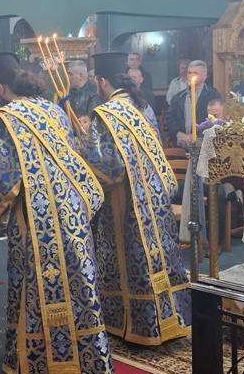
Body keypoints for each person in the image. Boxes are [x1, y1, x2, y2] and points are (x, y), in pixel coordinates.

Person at [0, 52, 113, 374]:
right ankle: (89, 363)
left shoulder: (4, 117)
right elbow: (72, 150)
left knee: (35, 282)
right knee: (78, 279)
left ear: (0, 88)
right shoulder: (53, 108)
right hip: (71, 207)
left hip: (34, 213)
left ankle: (39, 365)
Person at [82, 52, 191, 345]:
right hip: (154, 194)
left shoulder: (104, 114)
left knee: (132, 257)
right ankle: (170, 318)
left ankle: (139, 325)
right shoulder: (143, 107)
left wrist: (82, 151)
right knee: (160, 254)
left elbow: (107, 167)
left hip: (126, 199)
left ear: (101, 81)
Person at [166, 60, 221, 147]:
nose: (191, 76)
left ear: (204, 76)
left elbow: (216, 120)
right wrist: (179, 134)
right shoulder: (178, 97)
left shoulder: (213, 95)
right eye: (189, 73)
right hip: (182, 144)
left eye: (195, 73)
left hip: (205, 144)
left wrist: (198, 136)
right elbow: (170, 118)